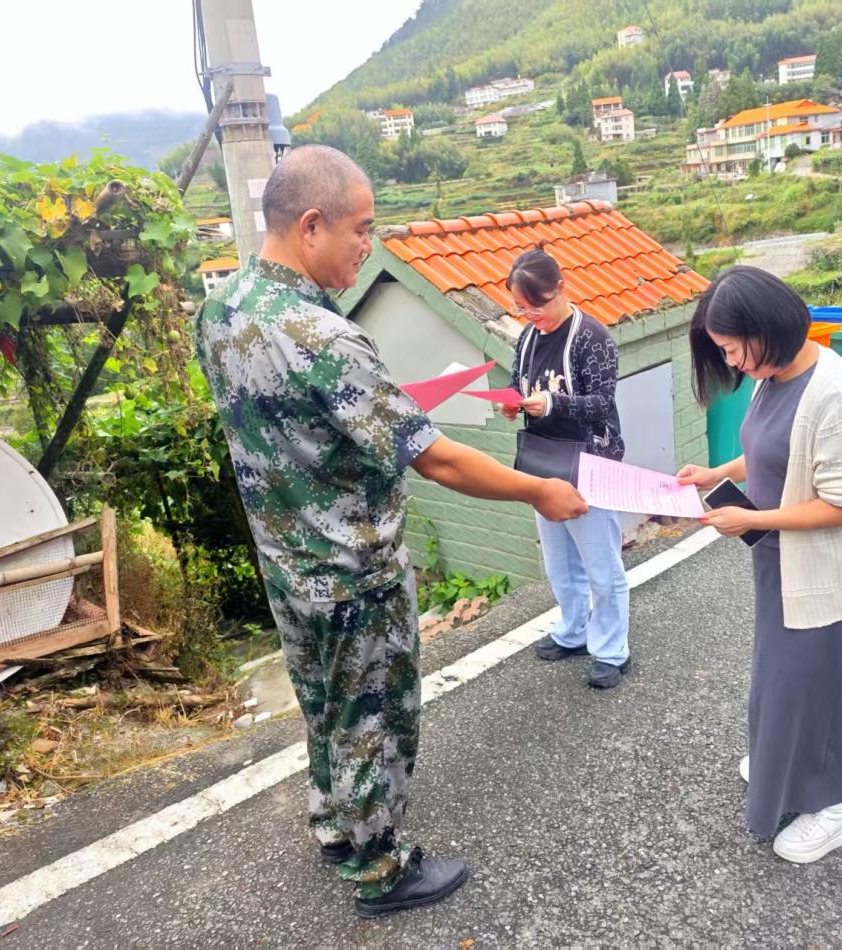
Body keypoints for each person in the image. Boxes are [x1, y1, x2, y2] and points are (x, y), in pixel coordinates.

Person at [195, 146, 587, 918]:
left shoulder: (224, 304)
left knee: (324, 705)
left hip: (287, 559)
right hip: (353, 570)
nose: (366, 246)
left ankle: (336, 829)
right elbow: (435, 459)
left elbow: (284, 421)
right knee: (373, 715)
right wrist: (539, 490)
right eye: (360, 230)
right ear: (310, 225)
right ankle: (380, 868)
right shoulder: (320, 334)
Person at [677, 266, 842, 865]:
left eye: (731, 347)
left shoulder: (837, 396)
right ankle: (784, 765)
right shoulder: (775, 374)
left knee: (816, 685)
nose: (732, 361)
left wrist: (754, 520)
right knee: (780, 677)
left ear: (764, 328)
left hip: (824, 570)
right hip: (780, 562)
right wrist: (720, 473)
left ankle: (833, 809)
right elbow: (772, 448)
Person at [501, 248, 631, 689]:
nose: (531, 315)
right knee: (559, 561)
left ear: (562, 288)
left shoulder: (591, 337)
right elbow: (518, 382)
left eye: (537, 305)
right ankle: (573, 630)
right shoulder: (529, 337)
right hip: (543, 462)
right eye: (522, 308)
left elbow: (602, 403)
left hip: (590, 463)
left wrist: (553, 402)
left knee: (600, 561)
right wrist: (510, 400)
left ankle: (612, 649)